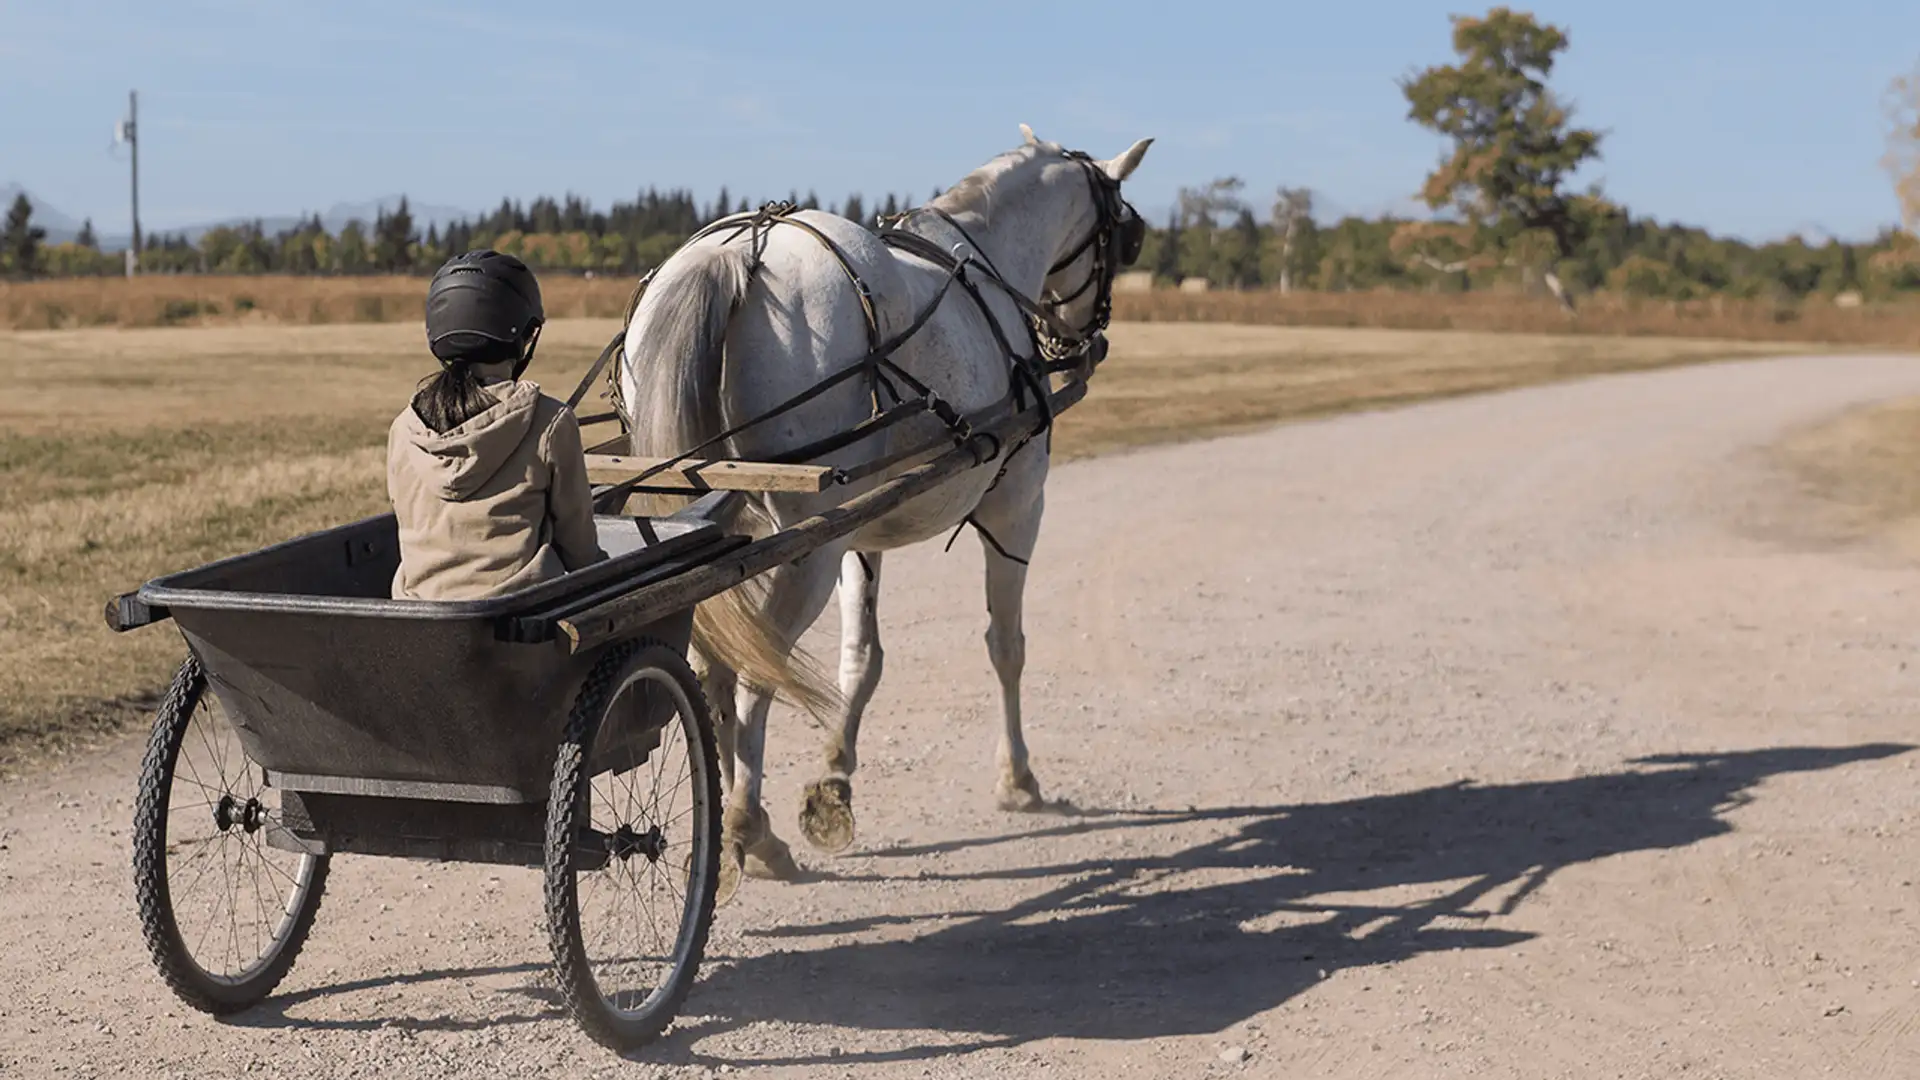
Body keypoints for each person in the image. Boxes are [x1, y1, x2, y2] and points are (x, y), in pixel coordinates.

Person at [388, 250, 606, 601]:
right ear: (522, 335)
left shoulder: (403, 428)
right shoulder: (551, 423)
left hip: (419, 620)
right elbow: (579, 551)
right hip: (522, 619)